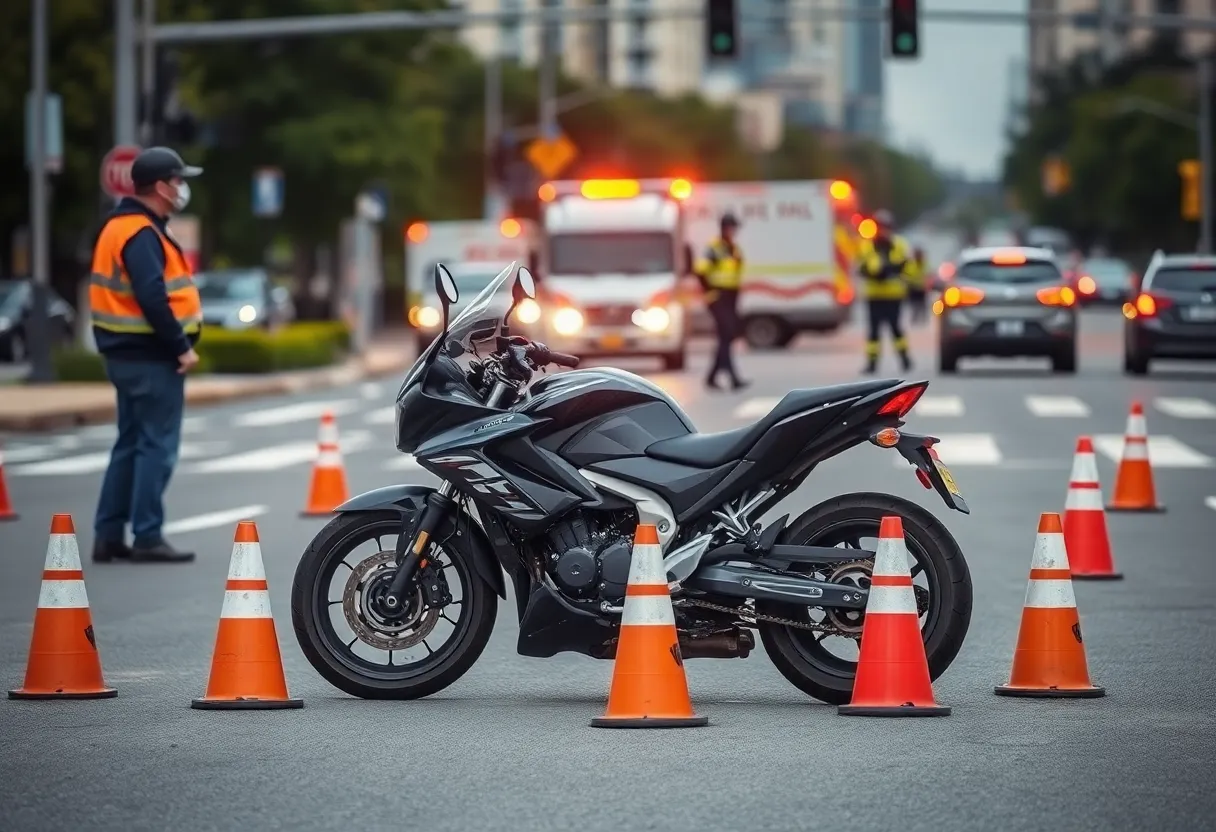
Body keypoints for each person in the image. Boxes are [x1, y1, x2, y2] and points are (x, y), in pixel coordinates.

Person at [89, 147, 203, 564]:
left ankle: (109, 534)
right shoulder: (140, 232)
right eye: (177, 180)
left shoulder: (122, 227)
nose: (181, 188)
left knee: (131, 443)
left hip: (126, 355)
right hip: (152, 357)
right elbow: (152, 296)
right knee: (156, 445)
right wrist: (180, 347)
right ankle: (147, 535)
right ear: (160, 186)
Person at [694, 213, 749, 391]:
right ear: (724, 228)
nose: (734, 231)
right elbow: (701, 271)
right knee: (727, 333)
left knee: (726, 336)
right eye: (732, 227)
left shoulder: (733, 248)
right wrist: (710, 292)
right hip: (718, 297)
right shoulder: (714, 248)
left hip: (731, 297)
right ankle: (733, 377)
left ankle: (712, 377)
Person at [856, 209, 914, 374]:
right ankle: (872, 364)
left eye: (885, 227)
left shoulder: (900, 244)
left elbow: (908, 267)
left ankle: (905, 359)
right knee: (873, 332)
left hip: (893, 295)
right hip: (874, 295)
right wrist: (872, 272)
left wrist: (892, 270)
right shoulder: (867, 245)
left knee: (896, 329)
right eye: (880, 227)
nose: (883, 230)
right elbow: (860, 267)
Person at [906, 246, 928, 326]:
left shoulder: (925, 264)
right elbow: (907, 275)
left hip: (922, 288)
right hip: (913, 288)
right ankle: (914, 320)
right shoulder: (911, 264)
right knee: (914, 305)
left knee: (922, 305)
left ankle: (922, 320)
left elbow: (927, 276)